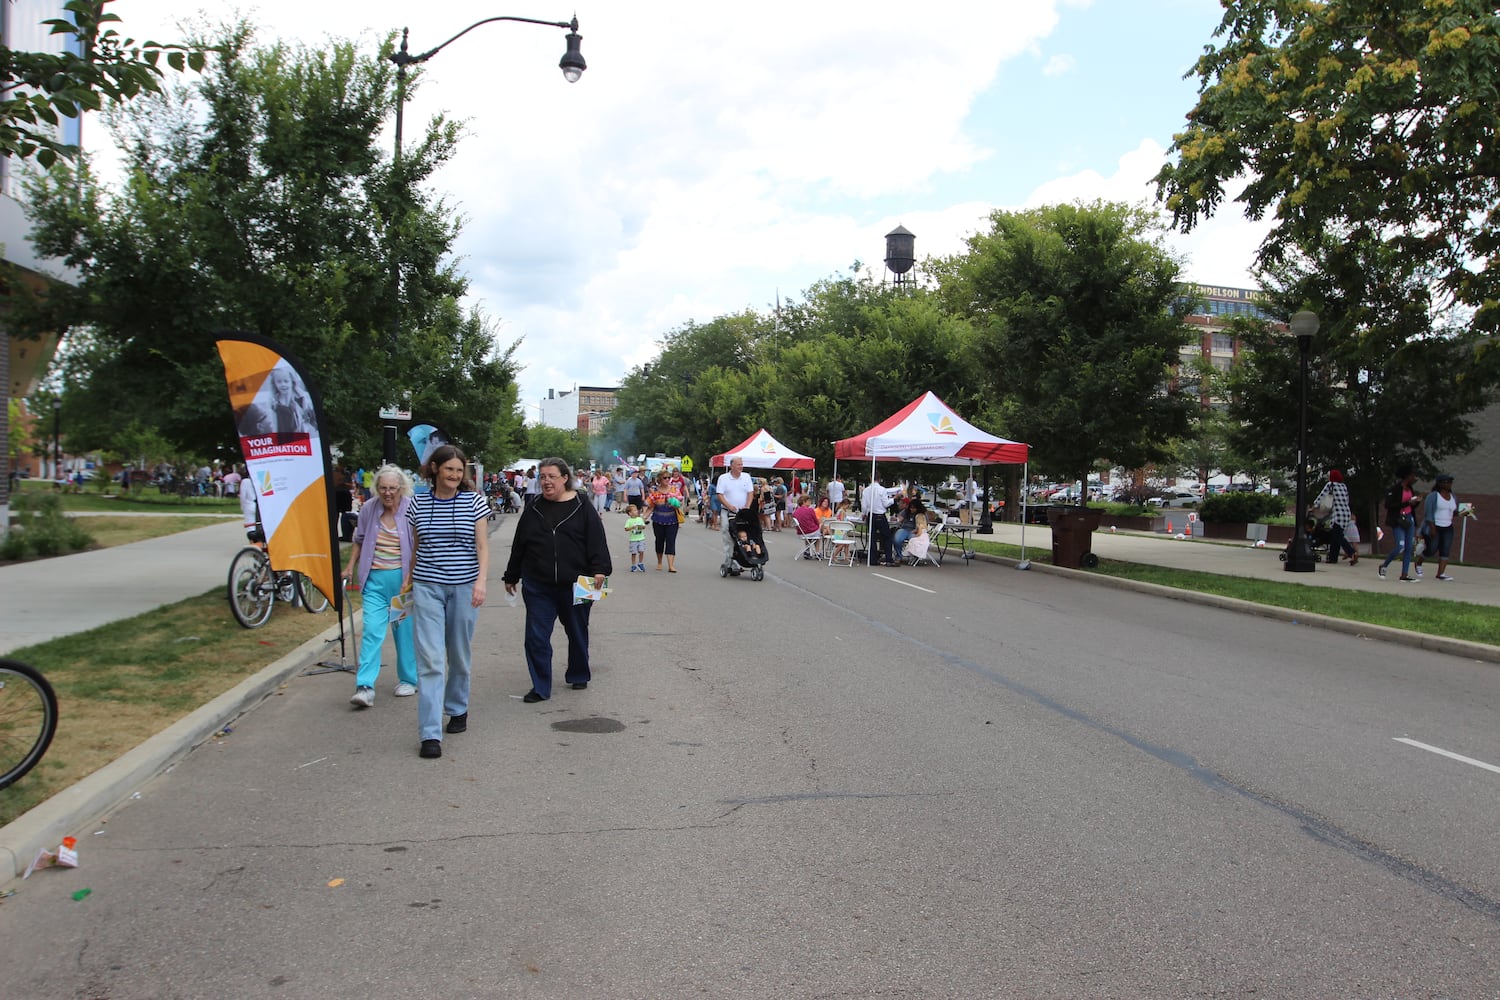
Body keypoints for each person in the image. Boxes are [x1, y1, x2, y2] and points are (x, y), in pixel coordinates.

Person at [503, 457, 612, 703]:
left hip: (577, 582)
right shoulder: (534, 507)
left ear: (565, 478)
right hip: (538, 583)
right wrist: (511, 575)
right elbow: (520, 543)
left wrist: (600, 569)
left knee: (577, 630)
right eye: (542, 477)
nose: (546, 481)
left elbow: (596, 539)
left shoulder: (582, 505)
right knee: (536, 636)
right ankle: (540, 686)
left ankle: (578, 673)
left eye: (552, 476)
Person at [406, 444, 490, 759]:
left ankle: (457, 707)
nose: (455, 475)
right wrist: (408, 578)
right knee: (429, 659)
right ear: (435, 470)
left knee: (458, 653)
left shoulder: (474, 502)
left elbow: (482, 546)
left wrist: (480, 582)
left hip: (465, 586)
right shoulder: (417, 503)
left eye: (459, 470)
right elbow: (416, 545)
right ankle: (430, 733)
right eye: (449, 469)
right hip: (427, 586)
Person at [341, 464, 418, 708]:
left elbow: (418, 543)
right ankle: (364, 686)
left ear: (401, 488)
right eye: (383, 488)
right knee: (372, 630)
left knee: (403, 631)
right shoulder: (368, 509)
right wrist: (350, 566)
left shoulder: (411, 508)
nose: (387, 493)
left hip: (402, 582)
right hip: (374, 579)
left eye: (392, 488)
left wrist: (414, 576)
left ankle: (408, 679)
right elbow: (359, 539)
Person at [240, 365, 317, 437]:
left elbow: (308, 420)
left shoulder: (301, 399)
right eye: (279, 382)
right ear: (275, 383)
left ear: (292, 382)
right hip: (283, 436)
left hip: (300, 435)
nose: (283, 384)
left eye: (286, 381)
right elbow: (274, 424)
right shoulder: (274, 403)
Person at [1414, 473, 1462, 581]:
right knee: (1432, 549)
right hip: (1435, 526)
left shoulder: (1453, 496)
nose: (1449, 484)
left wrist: (1463, 512)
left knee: (1445, 549)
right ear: (1440, 483)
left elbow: (1452, 512)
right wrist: (1432, 527)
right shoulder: (1433, 496)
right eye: (1446, 482)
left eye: (1450, 482)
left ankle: (1440, 574)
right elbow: (1428, 513)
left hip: (1448, 527)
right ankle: (1419, 563)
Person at [1378, 465, 1422, 582]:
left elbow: (1410, 506)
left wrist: (1415, 502)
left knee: (1408, 547)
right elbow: (1389, 505)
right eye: (1413, 476)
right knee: (1400, 546)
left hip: (1409, 518)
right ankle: (1384, 565)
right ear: (1407, 476)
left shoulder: (1410, 489)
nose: (1414, 478)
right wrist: (1408, 502)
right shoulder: (1395, 489)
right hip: (1398, 519)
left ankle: (1404, 574)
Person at [716, 457, 757, 569]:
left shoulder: (746, 477)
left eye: (741, 464)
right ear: (732, 466)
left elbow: (750, 492)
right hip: (728, 511)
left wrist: (747, 506)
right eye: (738, 464)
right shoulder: (724, 478)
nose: (741, 466)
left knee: (744, 535)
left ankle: (747, 556)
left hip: (743, 512)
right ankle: (730, 559)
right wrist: (729, 506)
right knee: (728, 533)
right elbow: (720, 494)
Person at [1312, 469, 1357, 565]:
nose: (1328, 478)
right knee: (1336, 536)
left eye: (1329, 476)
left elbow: (1322, 496)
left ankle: (1352, 553)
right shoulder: (1344, 486)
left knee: (1339, 537)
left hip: (1338, 513)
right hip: (1346, 513)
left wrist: (1314, 506)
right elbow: (1347, 500)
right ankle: (1333, 558)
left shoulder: (1330, 485)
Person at [646, 468, 686, 572]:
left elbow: (680, 502)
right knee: (659, 542)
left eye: (669, 477)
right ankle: (659, 562)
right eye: (665, 478)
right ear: (659, 479)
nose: (667, 479)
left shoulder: (674, 490)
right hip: (658, 520)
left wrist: (675, 502)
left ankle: (671, 565)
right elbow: (650, 507)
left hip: (672, 520)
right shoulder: (655, 491)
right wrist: (642, 518)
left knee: (671, 541)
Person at [862, 473, 896, 566]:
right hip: (880, 515)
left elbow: (864, 505)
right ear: (879, 479)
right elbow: (885, 504)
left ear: (870, 477)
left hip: (871, 515)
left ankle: (872, 559)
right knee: (887, 537)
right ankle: (889, 558)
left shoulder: (866, 490)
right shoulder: (882, 490)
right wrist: (893, 499)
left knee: (872, 538)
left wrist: (864, 514)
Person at [623, 503, 648, 572]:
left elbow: (644, 526)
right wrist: (632, 527)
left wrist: (641, 526)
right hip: (633, 539)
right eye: (634, 510)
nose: (636, 511)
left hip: (641, 538)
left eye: (636, 510)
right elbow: (626, 528)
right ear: (630, 513)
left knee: (641, 551)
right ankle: (633, 565)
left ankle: (640, 563)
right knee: (634, 552)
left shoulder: (640, 519)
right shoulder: (629, 521)